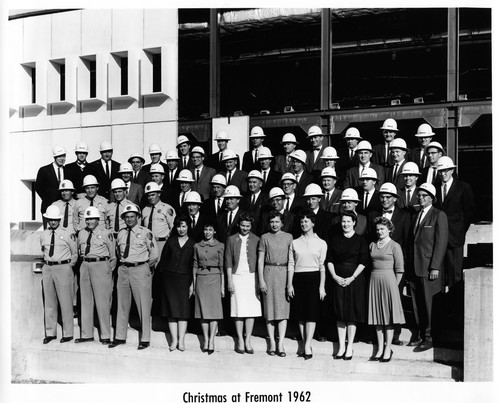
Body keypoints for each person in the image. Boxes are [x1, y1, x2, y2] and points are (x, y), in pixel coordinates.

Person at [109, 204, 158, 350]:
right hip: (124, 269)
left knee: (143, 304)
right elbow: (118, 252)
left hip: (140, 269)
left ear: (137, 217)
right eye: (127, 217)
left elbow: (154, 255)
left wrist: (143, 267)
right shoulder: (121, 233)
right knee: (122, 304)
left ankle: (145, 338)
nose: (129, 219)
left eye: (132, 216)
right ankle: (120, 336)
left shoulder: (145, 232)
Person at [407, 183, 448, 351]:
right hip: (415, 266)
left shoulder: (439, 215)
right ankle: (421, 334)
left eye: (424, 196)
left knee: (429, 303)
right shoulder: (416, 216)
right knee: (417, 304)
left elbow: (441, 242)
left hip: (429, 267)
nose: (421, 198)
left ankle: (430, 337)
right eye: (419, 195)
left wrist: (435, 267)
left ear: (432, 198)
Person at [326, 210, 369, 360]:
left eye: (348, 222)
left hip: (354, 280)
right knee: (340, 314)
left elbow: (363, 261)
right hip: (337, 278)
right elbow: (329, 259)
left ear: (354, 223)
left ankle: (349, 346)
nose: (345, 224)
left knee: (351, 314)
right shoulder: (335, 239)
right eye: (343, 221)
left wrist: (352, 278)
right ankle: (341, 346)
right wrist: (334, 276)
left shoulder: (360, 240)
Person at [287, 211, 327, 360]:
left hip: (314, 278)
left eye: (307, 221)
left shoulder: (321, 243)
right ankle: (304, 343)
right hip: (298, 278)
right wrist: (289, 284)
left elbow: (322, 266)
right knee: (301, 315)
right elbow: (291, 264)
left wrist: (321, 287)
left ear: (313, 223)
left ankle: (308, 345)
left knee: (311, 314)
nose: (304, 224)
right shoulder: (295, 242)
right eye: (302, 222)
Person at [76, 206, 116, 345]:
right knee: (85, 301)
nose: (89, 221)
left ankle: (105, 334)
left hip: (100, 266)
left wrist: (107, 270)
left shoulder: (106, 233)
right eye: (87, 219)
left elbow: (113, 255)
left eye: (92, 218)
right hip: (85, 265)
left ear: (98, 219)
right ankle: (86, 334)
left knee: (102, 301)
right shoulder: (81, 233)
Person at [367, 217, 405, 362]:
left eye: (382, 229)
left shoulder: (395, 246)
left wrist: (394, 287)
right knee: (377, 317)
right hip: (374, 281)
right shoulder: (372, 245)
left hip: (389, 282)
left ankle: (388, 348)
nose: (379, 231)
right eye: (377, 229)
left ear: (389, 229)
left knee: (388, 318)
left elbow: (400, 269)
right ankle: (380, 349)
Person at [156, 215, 195, 351]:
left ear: (188, 227)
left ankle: (182, 341)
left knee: (183, 311)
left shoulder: (193, 243)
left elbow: (194, 266)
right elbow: (163, 261)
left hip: (185, 279)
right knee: (171, 311)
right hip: (170, 279)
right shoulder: (171, 242)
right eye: (179, 226)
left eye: (184, 226)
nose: (181, 229)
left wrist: (192, 284)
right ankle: (174, 340)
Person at [40, 205, 78, 344]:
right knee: (49, 302)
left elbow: (75, 254)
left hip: (63, 268)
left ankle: (68, 333)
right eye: (50, 219)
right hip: (48, 268)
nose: (53, 222)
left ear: (59, 220)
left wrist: (68, 267)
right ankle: (50, 332)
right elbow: (42, 250)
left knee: (65, 301)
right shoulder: (43, 234)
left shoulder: (68, 234)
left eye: (55, 219)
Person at [258, 211, 293, 357]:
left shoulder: (288, 237)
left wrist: (289, 283)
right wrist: (261, 279)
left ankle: (281, 343)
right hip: (269, 272)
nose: (274, 224)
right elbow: (260, 260)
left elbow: (291, 259)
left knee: (282, 310)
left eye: (277, 222)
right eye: (272, 222)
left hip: (284, 272)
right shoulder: (264, 237)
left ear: (282, 223)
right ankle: (272, 342)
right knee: (270, 310)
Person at [435, 156, 474, 288]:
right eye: (440, 171)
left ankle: (455, 306)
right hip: (438, 238)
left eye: (446, 170)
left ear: (452, 170)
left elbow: (469, 213)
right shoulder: (435, 188)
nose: (443, 174)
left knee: (455, 275)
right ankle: (442, 306)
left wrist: (460, 230)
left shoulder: (463, 187)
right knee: (440, 275)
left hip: (455, 238)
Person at [225, 213, 261, 354]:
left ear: (251, 226)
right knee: (238, 310)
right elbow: (228, 261)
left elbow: (259, 261)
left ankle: (248, 340)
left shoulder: (257, 239)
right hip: (237, 277)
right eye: (243, 225)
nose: (245, 228)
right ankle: (240, 339)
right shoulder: (231, 239)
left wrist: (259, 281)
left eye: (248, 226)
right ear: (238, 225)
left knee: (251, 310)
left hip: (252, 277)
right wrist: (229, 280)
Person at [193, 221, 225, 354]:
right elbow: (194, 265)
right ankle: (205, 339)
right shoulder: (197, 246)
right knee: (203, 311)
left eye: (210, 230)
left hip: (215, 278)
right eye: (206, 230)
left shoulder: (220, 246)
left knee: (214, 311)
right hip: (201, 278)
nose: (207, 233)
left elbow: (222, 267)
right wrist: (193, 285)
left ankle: (212, 339)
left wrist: (222, 286)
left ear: (214, 232)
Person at [35, 145, 67, 228]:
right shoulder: (44, 170)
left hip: (63, 208)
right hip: (48, 207)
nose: (61, 158)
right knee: (48, 235)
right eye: (59, 156)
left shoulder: (67, 170)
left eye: (63, 156)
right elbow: (38, 187)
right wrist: (48, 199)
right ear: (54, 157)